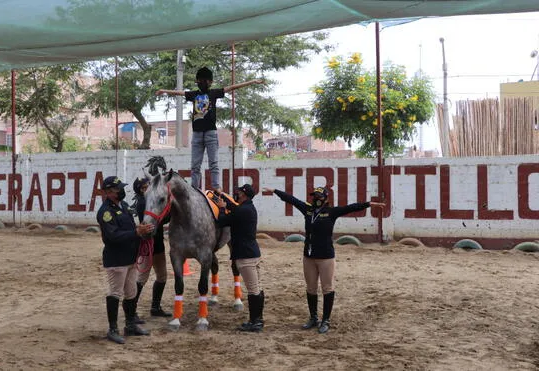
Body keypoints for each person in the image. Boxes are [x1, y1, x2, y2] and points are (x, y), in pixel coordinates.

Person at [262, 185, 385, 334]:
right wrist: (275, 191)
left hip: (326, 256)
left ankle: (326, 320)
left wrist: (369, 204)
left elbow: (351, 208)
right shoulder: (308, 209)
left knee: (327, 288)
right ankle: (313, 317)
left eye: (319, 197)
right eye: (314, 196)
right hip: (309, 256)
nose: (316, 199)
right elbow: (292, 200)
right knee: (311, 288)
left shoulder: (331, 212)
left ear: (326, 198)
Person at [156, 67, 264, 192]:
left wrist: (252, 81)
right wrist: (163, 90)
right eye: (201, 81)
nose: (203, 83)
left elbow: (232, 87)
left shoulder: (213, 93)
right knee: (195, 166)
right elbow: (179, 92)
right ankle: (195, 189)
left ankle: (216, 187)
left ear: (210, 82)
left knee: (213, 163)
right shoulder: (194, 94)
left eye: (205, 81)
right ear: (198, 82)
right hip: (197, 135)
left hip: (210, 133)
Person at [97, 175, 154, 344]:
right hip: (116, 259)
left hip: (130, 256)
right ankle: (112, 329)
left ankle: (130, 324)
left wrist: (141, 230)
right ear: (108, 192)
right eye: (117, 189)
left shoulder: (124, 205)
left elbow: (130, 227)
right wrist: (136, 233)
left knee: (131, 292)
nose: (121, 191)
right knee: (115, 292)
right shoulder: (105, 212)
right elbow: (113, 236)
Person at [216, 184, 264, 332]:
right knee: (257, 289)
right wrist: (222, 195)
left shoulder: (242, 211)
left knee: (253, 290)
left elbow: (221, 221)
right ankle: (257, 320)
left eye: (239, 192)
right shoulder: (248, 208)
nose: (237, 194)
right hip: (252, 253)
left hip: (245, 256)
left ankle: (255, 322)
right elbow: (236, 208)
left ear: (244, 195)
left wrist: (222, 208)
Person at [131, 177, 172, 323]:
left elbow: (160, 220)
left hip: (157, 244)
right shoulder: (143, 203)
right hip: (148, 244)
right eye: (143, 188)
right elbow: (155, 221)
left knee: (162, 276)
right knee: (142, 278)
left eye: (148, 186)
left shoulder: (151, 201)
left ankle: (155, 307)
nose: (147, 189)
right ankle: (131, 310)